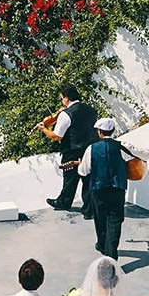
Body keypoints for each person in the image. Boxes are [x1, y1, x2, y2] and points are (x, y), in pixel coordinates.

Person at [78, 118, 149, 261]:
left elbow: (83, 171)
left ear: (99, 132)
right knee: (115, 220)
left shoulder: (91, 149)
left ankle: (104, 247)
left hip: (98, 190)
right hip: (118, 189)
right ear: (113, 131)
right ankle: (111, 253)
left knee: (100, 218)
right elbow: (146, 154)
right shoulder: (122, 146)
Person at [36, 83, 97, 215]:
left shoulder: (66, 114)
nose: (62, 101)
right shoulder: (91, 110)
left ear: (66, 98)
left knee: (70, 179)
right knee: (88, 179)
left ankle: (64, 202)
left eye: (62, 98)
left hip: (72, 150)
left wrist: (44, 129)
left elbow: (57, 136)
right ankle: (89, 209)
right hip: (90, 149)